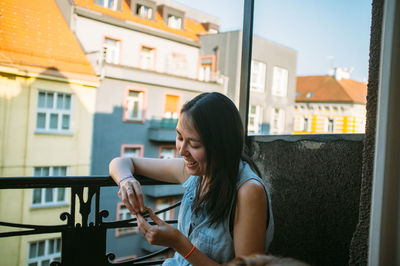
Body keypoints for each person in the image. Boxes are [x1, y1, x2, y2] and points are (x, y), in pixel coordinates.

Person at [109, 92, 274, 265]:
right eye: (180, 137)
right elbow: (122, 162)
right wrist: (126, 181)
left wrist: (178, 242)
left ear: (221, 145)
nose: (181, 150)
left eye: (194, 144)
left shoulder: (249, 192)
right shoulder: (197, 171)